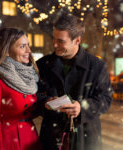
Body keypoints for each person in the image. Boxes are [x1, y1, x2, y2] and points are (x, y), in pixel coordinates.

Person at [36, 14, 112, 150]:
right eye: (53, 38)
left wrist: (82, 108)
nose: (54, 44)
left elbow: (105, 99)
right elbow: (33, 95)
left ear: (77, 40)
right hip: (52, 136)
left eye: (60, 41)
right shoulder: (42, 65)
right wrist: (45, 102)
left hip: (85, 137)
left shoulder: (97, 66)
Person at [0, 28, 40, 150]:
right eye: (22, 46)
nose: (29, 50)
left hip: (31, 138)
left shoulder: (28, 75)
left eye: (28, 45)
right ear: (6, 50)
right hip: (10, 142)